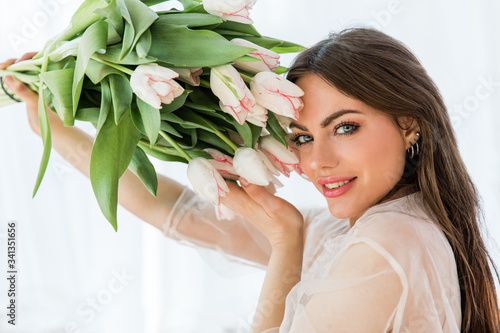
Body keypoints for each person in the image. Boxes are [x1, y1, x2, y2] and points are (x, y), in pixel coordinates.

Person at [1, 28, 499, 332]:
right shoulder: (372, 226)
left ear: (408, 123)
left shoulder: (388, 241)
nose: (318, 162)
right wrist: (48, 118)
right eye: (301, 137)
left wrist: (285, 242)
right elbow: (174, 213)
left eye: (345, 127)